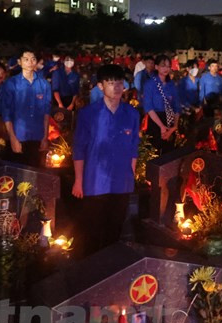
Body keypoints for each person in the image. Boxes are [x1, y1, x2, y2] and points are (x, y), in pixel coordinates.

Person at [72, 64, 140, 258]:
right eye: (111, 83)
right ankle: (89, 273)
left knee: (115, 231)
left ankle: (110, 272)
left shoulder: (131, 114)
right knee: (92, 233)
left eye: (120, 82)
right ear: (100, 86)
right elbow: (79, 149)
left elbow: (134, 147)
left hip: (121, 181)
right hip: (94, 181)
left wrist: (131, 176)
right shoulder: (88, 114)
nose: (117, 87)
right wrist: (78, 180)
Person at [2, 49, 51, 167]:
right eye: (26, 59)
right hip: (18, 136)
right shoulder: (11, 83)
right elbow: (6, 113)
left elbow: (46, 113)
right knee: (17, 175)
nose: (30, 62)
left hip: (37, 137)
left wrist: (45, 137)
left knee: (35, 174)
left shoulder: (44, 84)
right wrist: (12, 138)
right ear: (19, 62)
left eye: (33, 59)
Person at [143, 54, 181, 154]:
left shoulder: (172, 84)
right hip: (155, 121)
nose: (166, 69)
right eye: (163, 65)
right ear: (156, 67)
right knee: (154, 153)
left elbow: (177, 106)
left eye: (168, 66)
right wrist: (162, 127)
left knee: (168, 153)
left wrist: (174, 126)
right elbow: (148, 108)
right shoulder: (150, 84)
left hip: (169, 120)